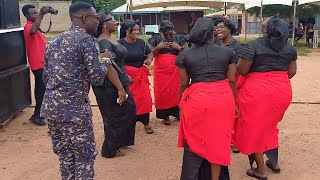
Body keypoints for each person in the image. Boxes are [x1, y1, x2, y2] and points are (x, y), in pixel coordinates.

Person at [41, 2, 126, 179]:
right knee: (84, 157)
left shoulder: (53, 41)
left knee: (65, 156)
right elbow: (96, 77)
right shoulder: (86, 40)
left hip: (51, 109)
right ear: (85, 18)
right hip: (75, 111)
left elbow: (45, 77)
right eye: (95, 18)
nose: (97, 22)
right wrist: (105, 60)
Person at [234, 16, 297, 180]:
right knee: (270, 126)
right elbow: (292, 72)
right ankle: (273, 162)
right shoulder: (290, 49)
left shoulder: (252, 46)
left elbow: (241, 70)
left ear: (265, 30)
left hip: (257, 93)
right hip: (282, 92)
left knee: (255, 130)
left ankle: (260, 170)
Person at [176, 17, 237, 180]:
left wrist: (181, 103)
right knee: (218, 141)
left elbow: (183, 83)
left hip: (197, 100)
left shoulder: (184, 55)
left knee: (195, 140)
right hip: (222, 100)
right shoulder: (228, 52)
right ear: (212, 33)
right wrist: (235, 104)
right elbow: (231, 80)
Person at [92, 11, 137, 158]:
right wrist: (120, 88)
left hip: (118, 80)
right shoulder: (103, 42)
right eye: (112, 20)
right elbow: (108, 67)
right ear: (104, 24)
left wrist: (124, 76)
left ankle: (120, 141)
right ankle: (109, 149)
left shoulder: (110, 39)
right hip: (108, 85)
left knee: (128, 109)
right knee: (113, 115)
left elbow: (117, 62)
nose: (116, 22)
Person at [118, 19, 155, 134]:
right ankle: (129, 124)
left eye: (138, 30)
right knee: (129, 100)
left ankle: (146, 122)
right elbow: (116, 62)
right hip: (127, 76)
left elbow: (150, 53)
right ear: (127, 31)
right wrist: (124, 75)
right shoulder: (119, 44)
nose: (137, 32)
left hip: (140, 76)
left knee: (144, 99)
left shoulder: (142, 43)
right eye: (134, 30)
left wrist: (149, 59)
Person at [148, 20, 188, 125]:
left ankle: (176, 112)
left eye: (171, 34)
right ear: (161, 32)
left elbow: (188, 53)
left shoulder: (179, 38)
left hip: (175, 69)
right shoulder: (155, 39)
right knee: (162, 91)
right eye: (166, 34)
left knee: (175, 90)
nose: (169, 36)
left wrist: (178, 47)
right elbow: (150, 55)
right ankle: (164, 115)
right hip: (161, 70)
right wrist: (158, 47)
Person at [214, 17, 242, 154]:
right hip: (217, 81)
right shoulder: (215, 45)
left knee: (234, 111)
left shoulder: (238, 46)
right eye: (216, 27)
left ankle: (234, 140)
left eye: (221, 27)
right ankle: (221, 137)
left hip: (233, 81)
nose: (218, 29)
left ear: (229, 28)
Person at [22, 4, 49, 126]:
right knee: (40, 91)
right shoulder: (28, 27)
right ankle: (36, 116)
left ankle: (42, 113)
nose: (36, 14)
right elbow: (32, 31)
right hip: (38, 65)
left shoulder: (35, 27)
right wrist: (42, 15)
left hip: (43, 64)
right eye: (33, 13)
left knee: (44, 90)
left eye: (37, 12)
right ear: (26, 16)